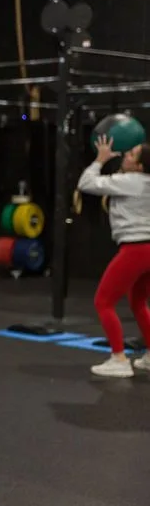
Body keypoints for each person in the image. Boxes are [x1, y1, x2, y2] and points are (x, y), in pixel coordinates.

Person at [76, 135, 150, 378]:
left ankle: (119, 359)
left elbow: (86, 183)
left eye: (132, 154)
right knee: (138, 302)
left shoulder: (129, 180)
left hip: (135, 249)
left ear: (139, 166)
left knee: (103, 302)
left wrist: (100, 159)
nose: (126, 154)